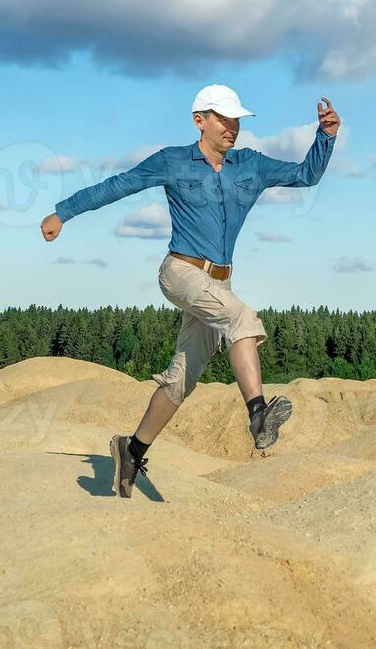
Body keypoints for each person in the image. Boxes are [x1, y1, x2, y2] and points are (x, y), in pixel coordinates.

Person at [40, 84, 340, 498]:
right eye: (223, 118)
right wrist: (63, 212)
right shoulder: (173, 161)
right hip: (180, 271)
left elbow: (306, 174)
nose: (232, 127)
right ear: (200, 120)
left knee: (182, 380)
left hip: (219, 281)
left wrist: (326, 137)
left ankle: (132, 449)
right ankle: (257, 414)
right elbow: (118, 185)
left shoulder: (249, 166)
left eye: (236, 120)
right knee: (241, 319)